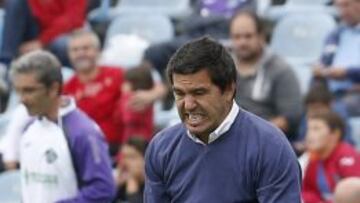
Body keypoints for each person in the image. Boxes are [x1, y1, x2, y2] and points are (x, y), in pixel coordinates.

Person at [144, 36, 301, 202]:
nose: (188, 105)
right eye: (180, 94)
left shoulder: (270, 147)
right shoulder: (161, 148)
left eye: (199, 93)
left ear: (228, 90)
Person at [10, 50, 115, 202]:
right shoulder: (29, 129)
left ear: (53, 88)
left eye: (29, 91)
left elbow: (103, 189)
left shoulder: (83, 132)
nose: (22, 99)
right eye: (18, 91)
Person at [63, 30, 166, 155]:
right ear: (69, 54)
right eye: (75, 50)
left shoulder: (116, 74)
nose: (80, 53)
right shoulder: (67, 88)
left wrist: (150, 96)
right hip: (86, 151)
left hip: (123, 149)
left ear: (98, 51)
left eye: (86, 48)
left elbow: (160, 88)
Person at [230, 10, 302, 136]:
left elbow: (290, 118)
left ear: (261, 37)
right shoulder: (224, 68)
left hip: (266, 139)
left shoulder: (280, 70)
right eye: (237, 37)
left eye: (248, 36)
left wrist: (254, 133)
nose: (242, 42)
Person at [0, 0, 87, 68]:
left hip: (63, 34)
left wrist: (41, 41)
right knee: (15, 3)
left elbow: (73, 20)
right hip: (36, 32)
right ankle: (5, 63)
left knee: (64, 44)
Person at [313, 0, 360, 116]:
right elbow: (324, 61)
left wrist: (347, 73)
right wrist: (319, 69)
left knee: (336, 110)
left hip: (355, 92)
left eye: (347, 5)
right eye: (339, 6)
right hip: (332, 91)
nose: (343, 11)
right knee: (311, 104)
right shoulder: (335, 34)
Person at [302, 111, 360, 203]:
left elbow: (354, 195)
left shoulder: (347, 155)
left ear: (335, 134)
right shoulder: (314, 157)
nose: (309, 135)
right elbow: (307, 190)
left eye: (316, 129)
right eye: (308, 129)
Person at [294, 85, 354, 154]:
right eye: (310, 109)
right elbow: (301, 140)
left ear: (330, 105)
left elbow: (347, 142)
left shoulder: (339, 120)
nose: (313, 112)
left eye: (317, 108)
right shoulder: (306, 119)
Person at [116, 65, 154, 142]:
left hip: (139, 141)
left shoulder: (137, 98)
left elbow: (126, 118)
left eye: (126, 83)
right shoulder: (147, 97)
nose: (122, 85)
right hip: (135, 138)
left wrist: (125, 96)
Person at [114, 137, 148, 203]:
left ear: (146, 160)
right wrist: (115, 186)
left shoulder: (153, 188)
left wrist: (132, 190)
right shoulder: (120, 183)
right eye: (123, 157)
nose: (124, 162)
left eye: (131, 157)